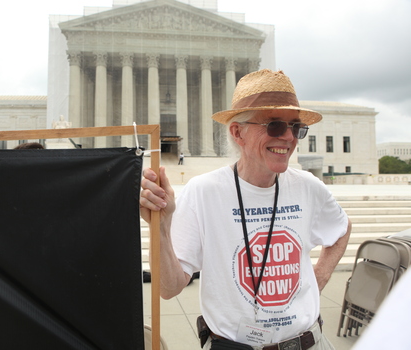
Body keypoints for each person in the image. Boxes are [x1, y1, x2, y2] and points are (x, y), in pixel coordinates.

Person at [140, 69, 351, 350]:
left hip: (309, 343)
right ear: (238, 132)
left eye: (296, 127)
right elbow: (168, 289)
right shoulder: (204, 191)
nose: (289, 137)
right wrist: (162, 227)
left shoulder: (308, 186)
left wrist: (318, 277)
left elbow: (341, 228)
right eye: (275, 126)